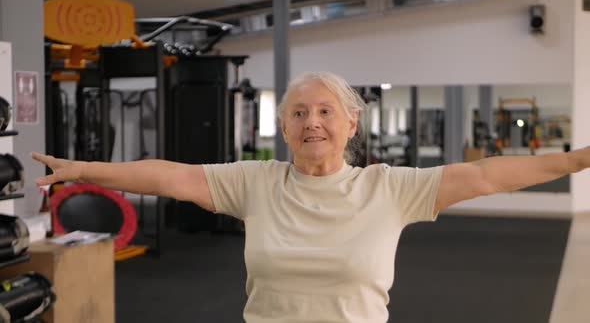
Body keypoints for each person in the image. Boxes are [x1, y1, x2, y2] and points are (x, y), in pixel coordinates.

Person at [32, 71, 590, 323]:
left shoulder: (391, 188)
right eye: (299, 112)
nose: (312, 122)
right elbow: (166, 176)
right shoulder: (254, 184)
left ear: (351, 124)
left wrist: (579, 160)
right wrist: (83, 168)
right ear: (284, 126)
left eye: (325, 111)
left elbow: (491, 176)